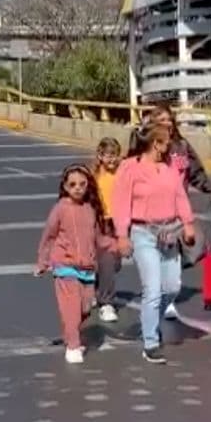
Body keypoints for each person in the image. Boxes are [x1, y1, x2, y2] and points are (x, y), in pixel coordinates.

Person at [112, 124, 195, 364]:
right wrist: (122, 235)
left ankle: (150, 323)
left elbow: (180, 195)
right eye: (166, 141)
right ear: (155, 144)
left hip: (169, 232)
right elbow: (121, 202)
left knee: (172, 287)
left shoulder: (171, 166)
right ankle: (150, 342)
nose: (170, 144)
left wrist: (188, 223)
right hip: (143, 233)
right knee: (153, 288)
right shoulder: (130, 168)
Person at [141, 104, 211, 318]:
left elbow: (195, 173)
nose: (166, 123)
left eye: (169, 119)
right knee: (163, 252)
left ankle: (166, 289)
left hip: (179, 211)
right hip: (154, 212)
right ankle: (162, 296)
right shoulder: (147, 147)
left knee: (193, 248)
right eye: (161, 120)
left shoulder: (181, 146)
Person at [35, 164, 112, 364]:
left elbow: (98, 237)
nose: (78, 188)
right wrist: (43, 261)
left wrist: (117, 245)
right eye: (73, 184)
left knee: (85, 309)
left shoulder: (90, 209)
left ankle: (70, 332)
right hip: (65, 265)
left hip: (87, 268)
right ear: (65, 187)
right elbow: (49, 236)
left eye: (82, 184)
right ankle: (73, 346)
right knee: (71, 307)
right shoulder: (60, 208)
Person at [91, 137, 122, 323]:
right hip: (99, 222)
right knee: (106, 261)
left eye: (115, 156)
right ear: (100, 156)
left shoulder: (121, 174)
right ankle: (106, 303)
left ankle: (98, 288)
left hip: (117, 222)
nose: (112, 160)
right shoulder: (93, 175)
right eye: (108, 156)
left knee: (114, 263)